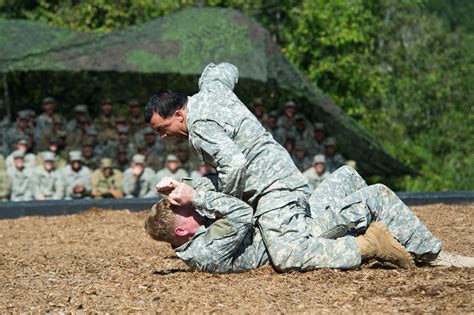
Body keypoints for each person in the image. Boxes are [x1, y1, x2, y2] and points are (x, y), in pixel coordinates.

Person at [144, 62, 366, 271]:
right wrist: (206, 80)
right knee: (311, 224)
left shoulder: (199, 127)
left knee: (287, 255)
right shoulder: (213, 90)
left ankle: (368, 245)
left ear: (179, 115)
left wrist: (225, 204)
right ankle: (367, 208)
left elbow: (234, 166)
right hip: (281, 171)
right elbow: (225, 69)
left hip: (271, 189)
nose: (163, 136)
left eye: (162, 128)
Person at [145, 166, 474, 273]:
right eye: (187, 209)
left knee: (346, 174)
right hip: (296, 233)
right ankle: (432, 254)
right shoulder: (207, 247)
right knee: (377, 194)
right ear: (180, 230)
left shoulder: (197, 235)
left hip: (285, 218)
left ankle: (389, 233)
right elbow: (242, 212)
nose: (194, 208)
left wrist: (187, 187)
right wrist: (198, 196)